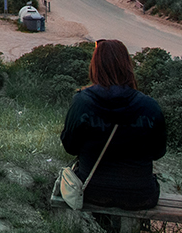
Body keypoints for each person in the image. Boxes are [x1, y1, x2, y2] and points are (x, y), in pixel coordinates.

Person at [59, 39, 167, 210]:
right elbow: (158, 152)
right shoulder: (149, 106)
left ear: (95, 66)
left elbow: (70, 146)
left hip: (92, 191)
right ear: (127, 66)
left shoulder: (82, 102)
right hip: (140, 195)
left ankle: (104, 226)